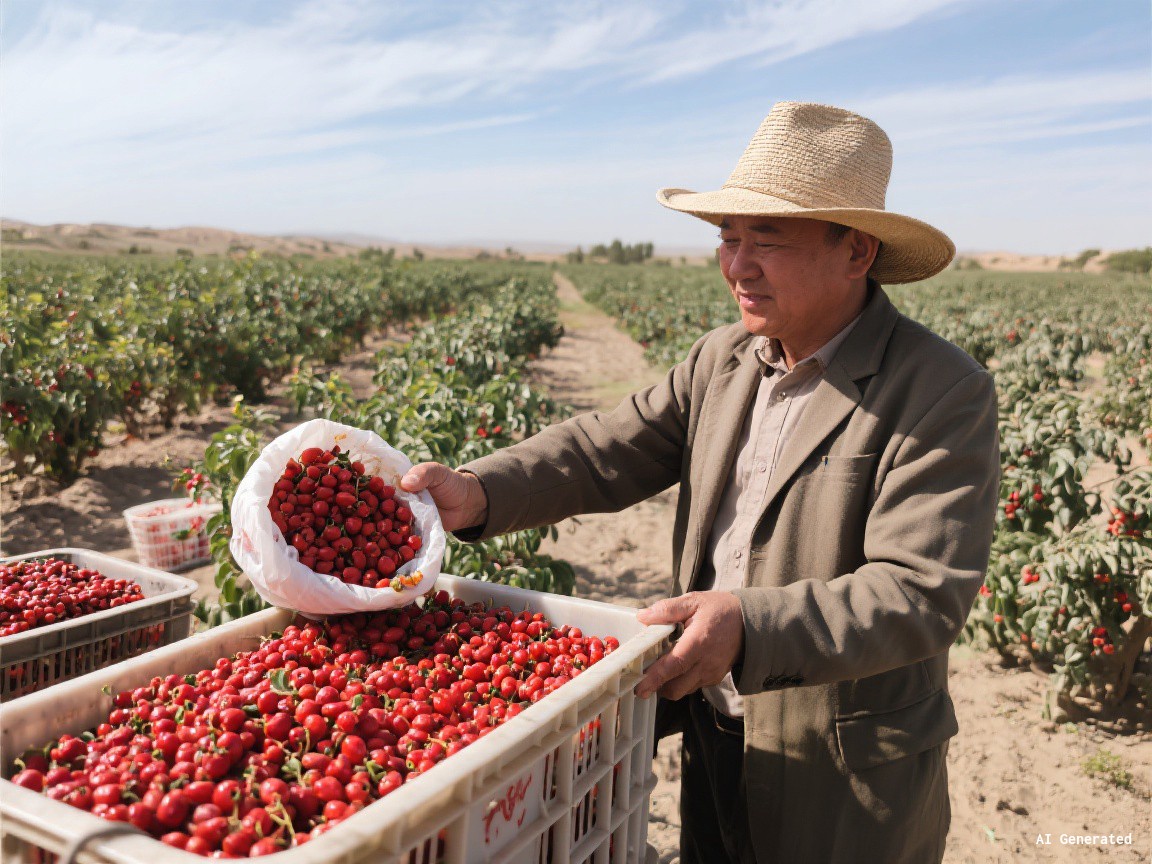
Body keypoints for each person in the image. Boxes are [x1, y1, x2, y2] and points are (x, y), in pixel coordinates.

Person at [400, 102, 1000, 864]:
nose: (737, 265)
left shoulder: (938, 390)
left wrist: (749, 624)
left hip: (839, 763)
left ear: (856, 251)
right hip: (711, 718)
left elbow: (919, 592)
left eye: (766, 241)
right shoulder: (725, 359)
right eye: (727, 238)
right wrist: (478, 490)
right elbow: (602, 450)